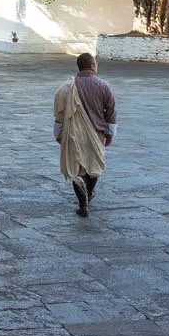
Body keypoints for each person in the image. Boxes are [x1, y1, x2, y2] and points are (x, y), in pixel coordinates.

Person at [53, 52, 116, 217]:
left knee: (77, 169)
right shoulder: (104, 86)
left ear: (79, 67)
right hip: (97, 134)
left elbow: (59, 115)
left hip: (72, 134)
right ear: (93, 66)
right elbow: (111, 114)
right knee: (94, 167)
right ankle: (88, 193)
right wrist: (110, 134)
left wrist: (58, 134)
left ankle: (83, 204)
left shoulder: (65, 88)